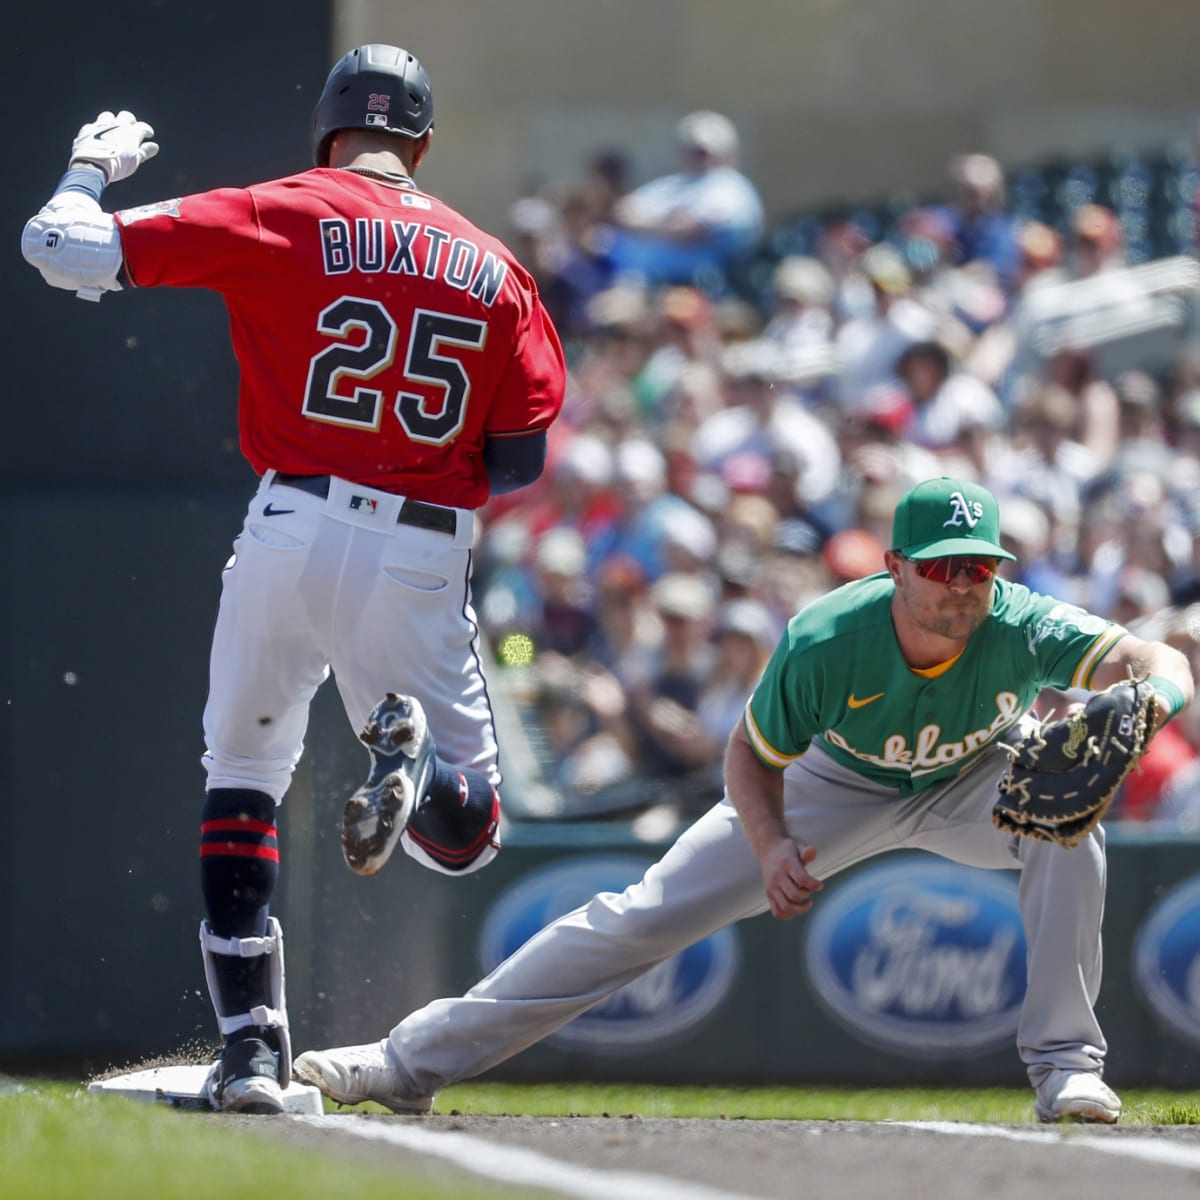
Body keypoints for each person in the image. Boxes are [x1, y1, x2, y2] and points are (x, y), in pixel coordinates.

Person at [21, 44, 566, 1114]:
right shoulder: (494, 266)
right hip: (420, 538)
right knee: (467, 837)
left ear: (330, 128)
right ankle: (413, 774)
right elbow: (519, 459)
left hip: (286, 516)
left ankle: (252, 1054)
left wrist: (88, 170)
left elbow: (57, 247)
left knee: (242, 773)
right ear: (422, 140)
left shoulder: (283, 210)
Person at [293, 477, 1194, 1124]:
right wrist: (768, 847)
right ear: (896, 567)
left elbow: (1162, 659)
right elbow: (750, 756)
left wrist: (1150, 698)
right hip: (831, 783)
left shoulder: (1019, 622)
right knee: (640, 916)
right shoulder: (828, 638)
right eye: (943, 566)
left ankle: (1068, 1066)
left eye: (979, 567)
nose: (964, 584)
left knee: (1067, 827)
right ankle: (409, 1062)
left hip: (970, 777)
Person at [603, 109, 765, 287]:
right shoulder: (674, 184)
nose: (699, 158)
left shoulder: (729, 186)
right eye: (693, 150)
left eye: (704, 152)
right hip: (640, 279)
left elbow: (690, 230)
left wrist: (647, 223)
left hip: (700, 287)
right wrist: (667, 221)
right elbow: (622, 212)